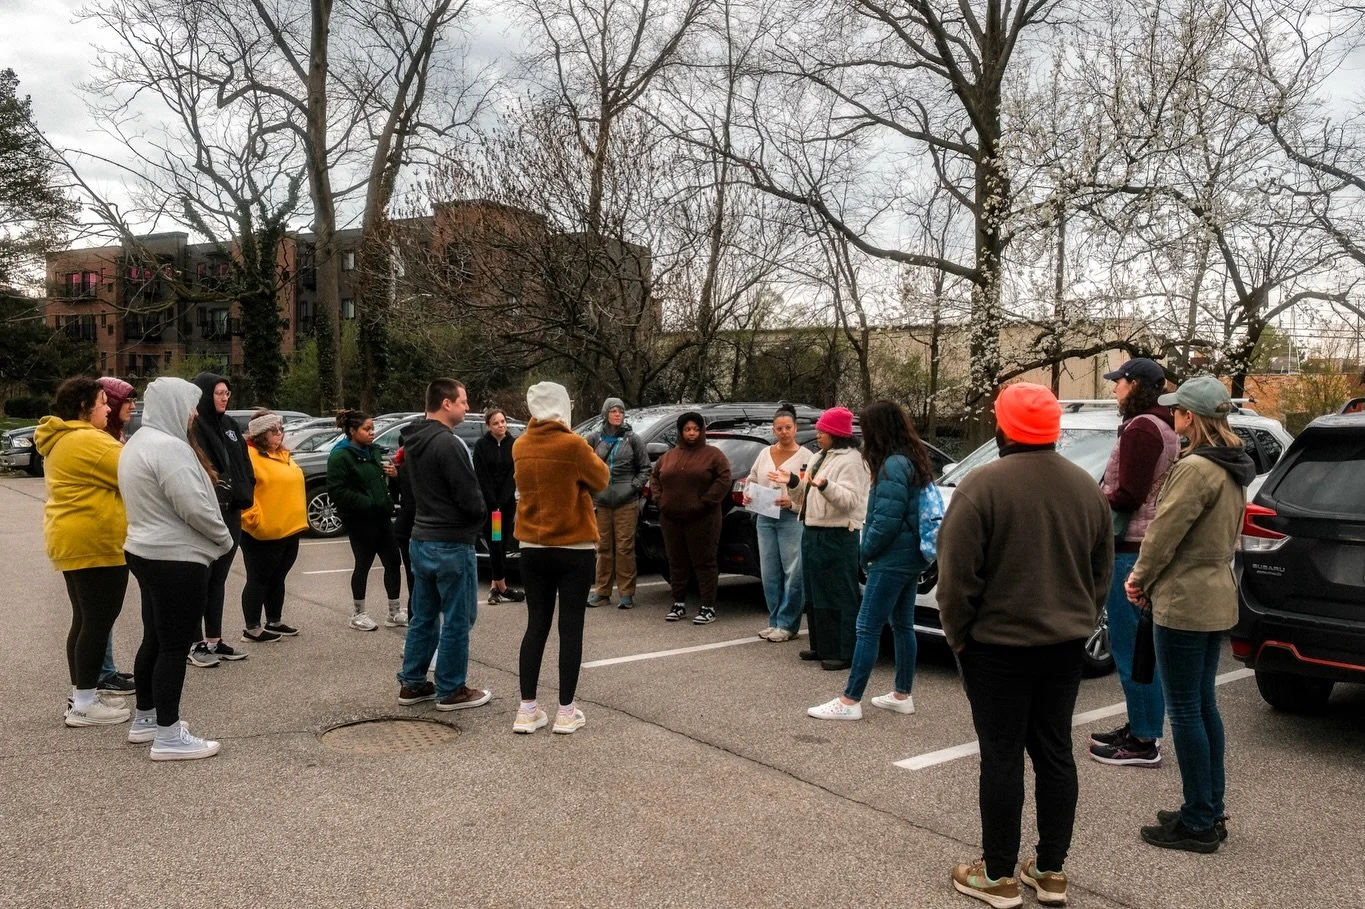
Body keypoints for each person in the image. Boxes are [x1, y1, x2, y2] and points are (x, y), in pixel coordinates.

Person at [937, 383, 1112, 909]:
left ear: (1004, 427)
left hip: (996, 646)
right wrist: (1079, 619)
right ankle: (1052, 870)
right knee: (1055, 752)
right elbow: (1099, 573)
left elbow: (955, 581)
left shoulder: (981, 486)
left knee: (1003, 754)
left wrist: (960, 637)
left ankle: (998, 875)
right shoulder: (1087, 488)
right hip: (1064, 644)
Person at [1127, 376, 1254, 854]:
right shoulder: (1232, 466)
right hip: (1217, 592)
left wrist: (1138, 579)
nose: (1173, 415)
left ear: (1191, 418)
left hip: (1184, 598)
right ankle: (1207, 806)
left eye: (1178, 410)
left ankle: (1199, 820)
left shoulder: (1195, 468)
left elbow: (1163, 534)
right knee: (1203, 706)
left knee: (1185, 710)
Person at [120, 377, 234, 760]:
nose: (193, 413)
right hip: (176, 558)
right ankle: (168, 736)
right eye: (189, 405)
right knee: (174, 645)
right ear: (172, 405)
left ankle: (146, 719)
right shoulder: (169, 448)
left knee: (153, 637)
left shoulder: (138, 442)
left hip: (145, 550)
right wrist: (223, 539)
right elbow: (196, 507)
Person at [807, 401, 938, 720]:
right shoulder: (912, 457)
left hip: (892, 557)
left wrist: (864, 554)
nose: (862, 435)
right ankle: (902, 693)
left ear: (878, 429)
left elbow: (885, 520)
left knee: (867, 626)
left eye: (865, 428)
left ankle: (849, 701)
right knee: (902, 625)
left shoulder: (893, 464)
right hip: (911, 556)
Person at [1089, 358, 1179, 768]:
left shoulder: (1144, 427)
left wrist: (1091, 498)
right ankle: (1140, 725)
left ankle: (1144, 740)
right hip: (1140, 545)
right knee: (1135, 646)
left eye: (1118, 382)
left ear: (1137, 385)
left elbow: (1128, 494)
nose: (1113, 389)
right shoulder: (1160, 423)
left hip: (1132, 548)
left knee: (1131, 648)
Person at [510, 382, 610, 734]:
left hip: (532, 546)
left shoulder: (520, 445)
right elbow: (601, 479)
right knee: (571, 627)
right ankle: (566, 711)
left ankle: (527, 708)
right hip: (573, 546)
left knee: (536, 624)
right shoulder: (573, 445)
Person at [36, 377, 131, 726]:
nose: (109, 408)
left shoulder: (64, 438)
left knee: (85, 620)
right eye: (103, 402)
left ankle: (82, 694)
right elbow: (135, 470)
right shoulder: (87, 439)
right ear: (83, 407)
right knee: (97, 621)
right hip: (95, 541)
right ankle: (85, 705)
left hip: (73, 538)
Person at [395, 378, 492, 711]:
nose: (468, 407)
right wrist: (479, 520)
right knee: (458, 618)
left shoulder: (415, 440)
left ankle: (413, 683)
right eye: (464, 401)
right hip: (451, 543)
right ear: (446, 403)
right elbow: (470, 498)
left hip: (421, 540)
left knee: (423, 616)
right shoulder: (447, 444)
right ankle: (451, 690)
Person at [790, 407, 868, 670]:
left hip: (838, 533)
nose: (818, 435)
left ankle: (844, 651)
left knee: (839, 593)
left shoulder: (852, 461)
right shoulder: (820, 456)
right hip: (813, 529)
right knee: (815, 591)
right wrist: (791, 481)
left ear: (836, 433)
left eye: (823, 431)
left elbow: (851, 500)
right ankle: (821, 645)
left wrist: (825, 486)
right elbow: (806, 489)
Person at [188, 372, 255, 667]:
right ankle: (195, 642)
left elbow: (243, 460)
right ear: (204, 395)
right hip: (207, 511)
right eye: (218, 393)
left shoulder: (229, 425)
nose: (225, 397)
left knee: (219, 579)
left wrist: (246, 487)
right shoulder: (194, 427)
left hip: (232, 510)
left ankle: (214, 640)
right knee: (200, 580)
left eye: (227, 393)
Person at [327, 410, 404, 631]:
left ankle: (394, 611)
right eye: (366, 429)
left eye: (372, 429)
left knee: (392, 560)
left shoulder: (373, 452)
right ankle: (358, 613)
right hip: (360, 520)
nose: (372, 433)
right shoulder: (340, 456)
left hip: (382, 517)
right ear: (352, 431)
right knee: (363, 564)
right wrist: (368, 502)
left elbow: (379, 481)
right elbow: (337, 491)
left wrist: (393, 475)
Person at [651, 412, 731, 624]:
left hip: (703, 519)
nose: (692, 433)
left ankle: (707, 607)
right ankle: (678, 604)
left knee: (704, 562)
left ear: (702, 431)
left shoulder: (714, 455)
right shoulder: (669, 456)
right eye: (687, 429)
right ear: (681, 432)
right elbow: (655, 477)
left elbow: (724, 478)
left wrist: (706, 501)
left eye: (695, 429)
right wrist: (660, 500)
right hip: (671, 518)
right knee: (676, 562)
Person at [744, 404, 812, 643]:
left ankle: (788, 623)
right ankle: (774, 620)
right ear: (773, 430)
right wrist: (747, 493)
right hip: (765, 516)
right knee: (769, 571)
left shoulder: (806, 457)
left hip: (791, 519)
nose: (783, 432)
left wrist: (791, 503)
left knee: (793, 571)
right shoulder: (765, 453)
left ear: (796, 428)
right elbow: (751, 478)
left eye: (788, 428)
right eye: (779, 428)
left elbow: (809, 493)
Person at [239, 411, 308, 643]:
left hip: (289, 528)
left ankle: (274, 620)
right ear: (260, 435)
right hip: (264, 532)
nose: (280, 434)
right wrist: (253, 520)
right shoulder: (249, 455)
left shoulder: (283, 454)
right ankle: (252, 627)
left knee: (278, 577)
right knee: (258, 578)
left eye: (281, 429)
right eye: (274, 430)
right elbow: (243, 491)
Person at [91, 375, 138, 696]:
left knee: (104, 611)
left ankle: (104, 668)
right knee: (98, 611)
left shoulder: (116, 437)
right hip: (99, 535)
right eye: (126, 400)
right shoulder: (101, 441)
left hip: (115, 532)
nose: (132, 407)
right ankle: (101, 674)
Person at [585, 397, 650, 609]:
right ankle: (602, 592)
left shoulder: (632, 439)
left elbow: (645, 468)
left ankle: (626, 593)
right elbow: (585, 467)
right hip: (601, 502)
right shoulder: (594, 439)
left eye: (620, 411)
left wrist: (633, 487)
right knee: (602, 548)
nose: (617, 415)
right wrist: (592, 490)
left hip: (627, 501)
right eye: (613, 411)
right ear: (606, 414)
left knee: (625, 548)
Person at [473, 408, 525, 605]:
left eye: (503, 421)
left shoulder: (514, 444)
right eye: (496, 423)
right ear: (489, 426)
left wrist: (504, 500)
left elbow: (514, 472)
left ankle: (497, 587)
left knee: (503, 543)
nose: (501, 425)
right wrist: (493, 502)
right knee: (495, 542)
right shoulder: (481, 445)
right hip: (491, 507)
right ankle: (501, 586)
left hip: (507, 503)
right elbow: (481, 476)